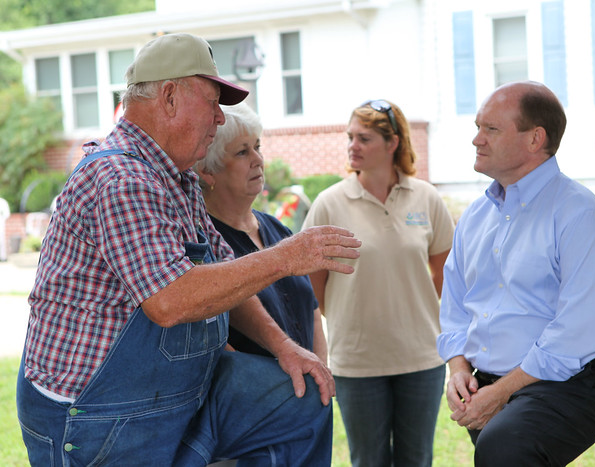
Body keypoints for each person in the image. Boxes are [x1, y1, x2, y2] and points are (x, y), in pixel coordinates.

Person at [16, 33, 361, 467]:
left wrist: (283, 346)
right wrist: (288, 256)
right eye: (213, 102)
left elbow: (223, 275)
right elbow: (170, 299)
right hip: (98, 415)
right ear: (170, 97)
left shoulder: (176, 178)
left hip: (175, 389)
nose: (220, 119)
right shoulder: (120, 178)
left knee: (304, 397)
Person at [437, 81, 595, 466]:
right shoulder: (476, 216)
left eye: (491, 129)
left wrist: (503, 391)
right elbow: (456, 302)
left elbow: (579, 332)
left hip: (572, 381)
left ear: (534, 139)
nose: (477, 139)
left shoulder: (582, 216)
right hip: (492, 382)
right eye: (478, 127)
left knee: (503, 450)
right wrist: (458, 366)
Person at [303, 99, 455, 467]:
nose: (352, 145)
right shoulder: (329, 204)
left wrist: (413, 311)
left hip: (421, 357)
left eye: (364, 138)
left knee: (416, 459)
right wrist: (347, 314)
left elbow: (443, 275)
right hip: (357, 362)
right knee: (368, 461)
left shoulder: (426, 197)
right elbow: (313, 283)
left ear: (393, 144)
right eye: (351, 137)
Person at [195, 102, 327, 363]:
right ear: (208, 170)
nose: (258, 160)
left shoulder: (277, 229)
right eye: (242, 152)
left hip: (306, 391)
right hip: (253, 395)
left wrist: (321, 372)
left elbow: (311, 308)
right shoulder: (203, 242)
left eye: (257, 147)